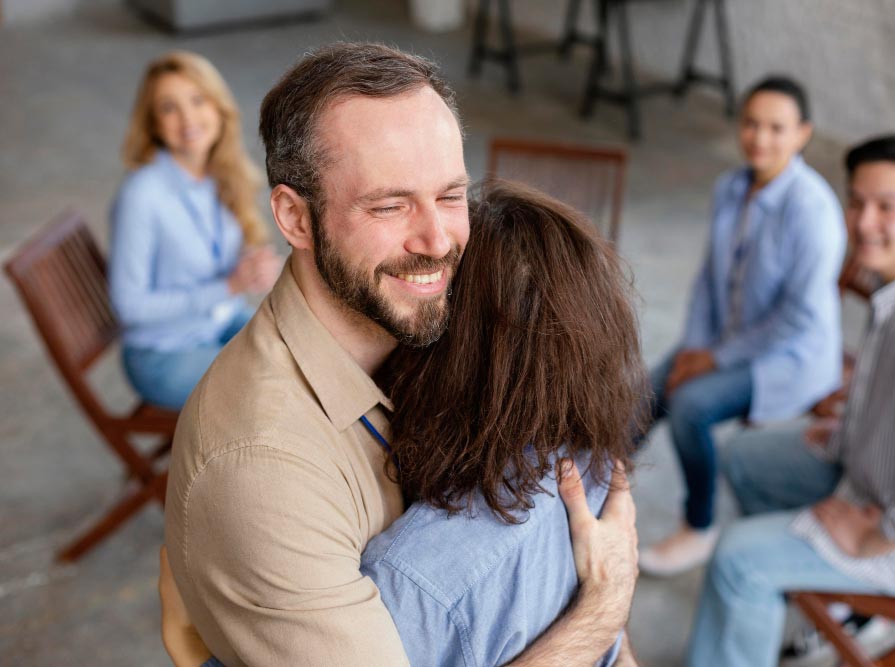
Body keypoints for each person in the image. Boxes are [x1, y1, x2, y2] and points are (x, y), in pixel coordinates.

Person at [164, 43, 639, 666]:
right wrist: (601, 612)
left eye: (449, 196)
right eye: (389, 206)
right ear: (294, 218)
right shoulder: (263, 467)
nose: (438, 240)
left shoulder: (413, 313)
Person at [686, 134, 895, 667]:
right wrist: (848, 434)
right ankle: (813, 591)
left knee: (738, 562)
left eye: (887, 207)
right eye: (856, 201)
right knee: (745, 458)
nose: (863, 220)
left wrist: (875, 538)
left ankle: (838, 589)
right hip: (877, 474)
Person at [638, 75, 846, 576]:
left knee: (689, 406)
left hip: (787, 357)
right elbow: (710, 279)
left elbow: (797, 319)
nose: (760, 138)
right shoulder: (730, 187)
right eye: (751, 124)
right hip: (724, 338)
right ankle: (594, 480)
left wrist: (713, 359)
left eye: (777, 128)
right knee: (643, 393)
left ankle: (699, 527)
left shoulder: (813, 211)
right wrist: (696, 344)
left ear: (803, 134)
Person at [109, 51, 280, 410]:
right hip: (164, 352)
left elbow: (213, 252)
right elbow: (129, 306)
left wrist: (251, 266)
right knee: (275, 392)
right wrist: (229, 286)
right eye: (169, 108)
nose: (187, 118)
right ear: (153, 123)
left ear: (218, 107)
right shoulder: (142, 195)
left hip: (217, 321)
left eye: (197, 100)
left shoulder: (218, 173)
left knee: (301, 350)